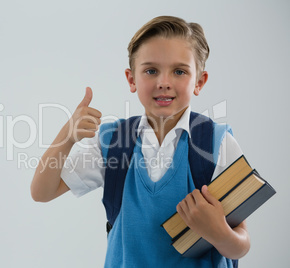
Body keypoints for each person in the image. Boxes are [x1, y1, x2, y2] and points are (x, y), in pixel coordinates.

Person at [30, 15, 250, 267]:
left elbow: (241, 244)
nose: (163, 83)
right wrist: (67, 137)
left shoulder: (217, 143)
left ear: (199, 81)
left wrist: (219, 232)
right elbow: (41, 192)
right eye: (151, 70)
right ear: (132, 79)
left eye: (179, 71)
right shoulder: (113, 141)